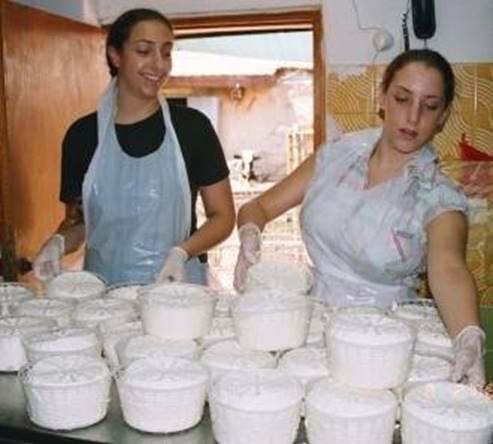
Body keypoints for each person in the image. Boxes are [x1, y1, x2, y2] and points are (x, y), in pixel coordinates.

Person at [233, 49, 486, 387]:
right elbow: (259, 208)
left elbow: (450, 269)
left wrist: (468, 335)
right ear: (381, 97)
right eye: (401, 98)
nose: (412, 117)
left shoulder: (437, 196)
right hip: (308, 327)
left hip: (380, 345)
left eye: (429, 106)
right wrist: (250, 232)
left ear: (443, 116)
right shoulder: (337, 156)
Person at [33, 8, 235, 286]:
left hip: (176, 290)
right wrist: (57, 242)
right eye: (143, 51)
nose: (159, 64)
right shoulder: (82, 136)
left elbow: (223, 217)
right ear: (115, 56)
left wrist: (181, 252)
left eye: (166, 53)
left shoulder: (192, 128)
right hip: (105, 298)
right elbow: (82, 222)